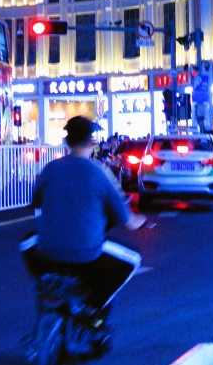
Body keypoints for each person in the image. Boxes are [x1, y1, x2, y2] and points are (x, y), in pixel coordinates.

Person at [22, 114, 145, 313]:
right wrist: (140, 220)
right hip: (87, 252)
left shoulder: (50, 168)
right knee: (134, 259)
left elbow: (35, 202)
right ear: (92, 142)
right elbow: (127, 221)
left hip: (47, 250)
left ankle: (44, 284)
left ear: (67, 141)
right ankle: (93, 307)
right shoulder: (98, 171)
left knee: (26, 242)